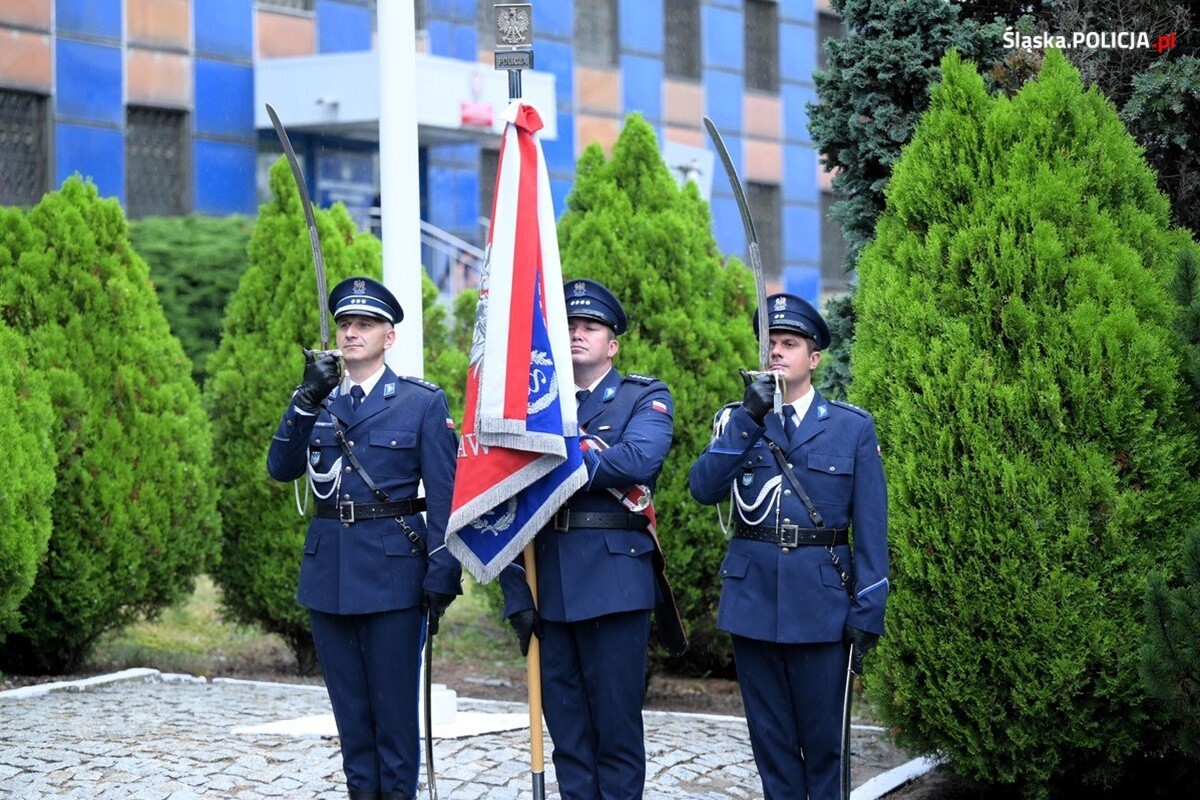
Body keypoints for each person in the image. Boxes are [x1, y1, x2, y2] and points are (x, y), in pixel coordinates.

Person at [688, 293, 889, 800]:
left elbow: (869, 527)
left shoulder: (850, 427)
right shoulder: (738, 419)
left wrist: (870, 607)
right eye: (770, 344)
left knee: (824, 747)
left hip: (822, 604)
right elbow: (703, 488)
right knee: (771, 745)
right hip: (753, 602)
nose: (776, 353)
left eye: (789, 344)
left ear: (814, 358)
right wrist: (746, 419)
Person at [266, 276, 461, 800]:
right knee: (351, 722)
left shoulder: (420, 402)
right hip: (329, 574)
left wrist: (444, 571)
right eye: (345, 324)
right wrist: (307, 397)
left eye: (366, 324)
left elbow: (444, 496)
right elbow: (281, 468)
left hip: (396, 575)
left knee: (394, 723)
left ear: (388, 337)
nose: (352, 332)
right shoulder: (317, 400)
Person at [499, 278, 675, 800]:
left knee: (616, 733)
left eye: (591, 327)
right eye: (570, 326)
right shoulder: (533, 406)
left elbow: (639, 460)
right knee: (568, 736)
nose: (578, 334)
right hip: (546, 579)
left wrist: (552, 453)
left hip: (613, 579)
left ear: (612, 344)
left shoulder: (644, 396)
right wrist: (515, 590)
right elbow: (506, 498)